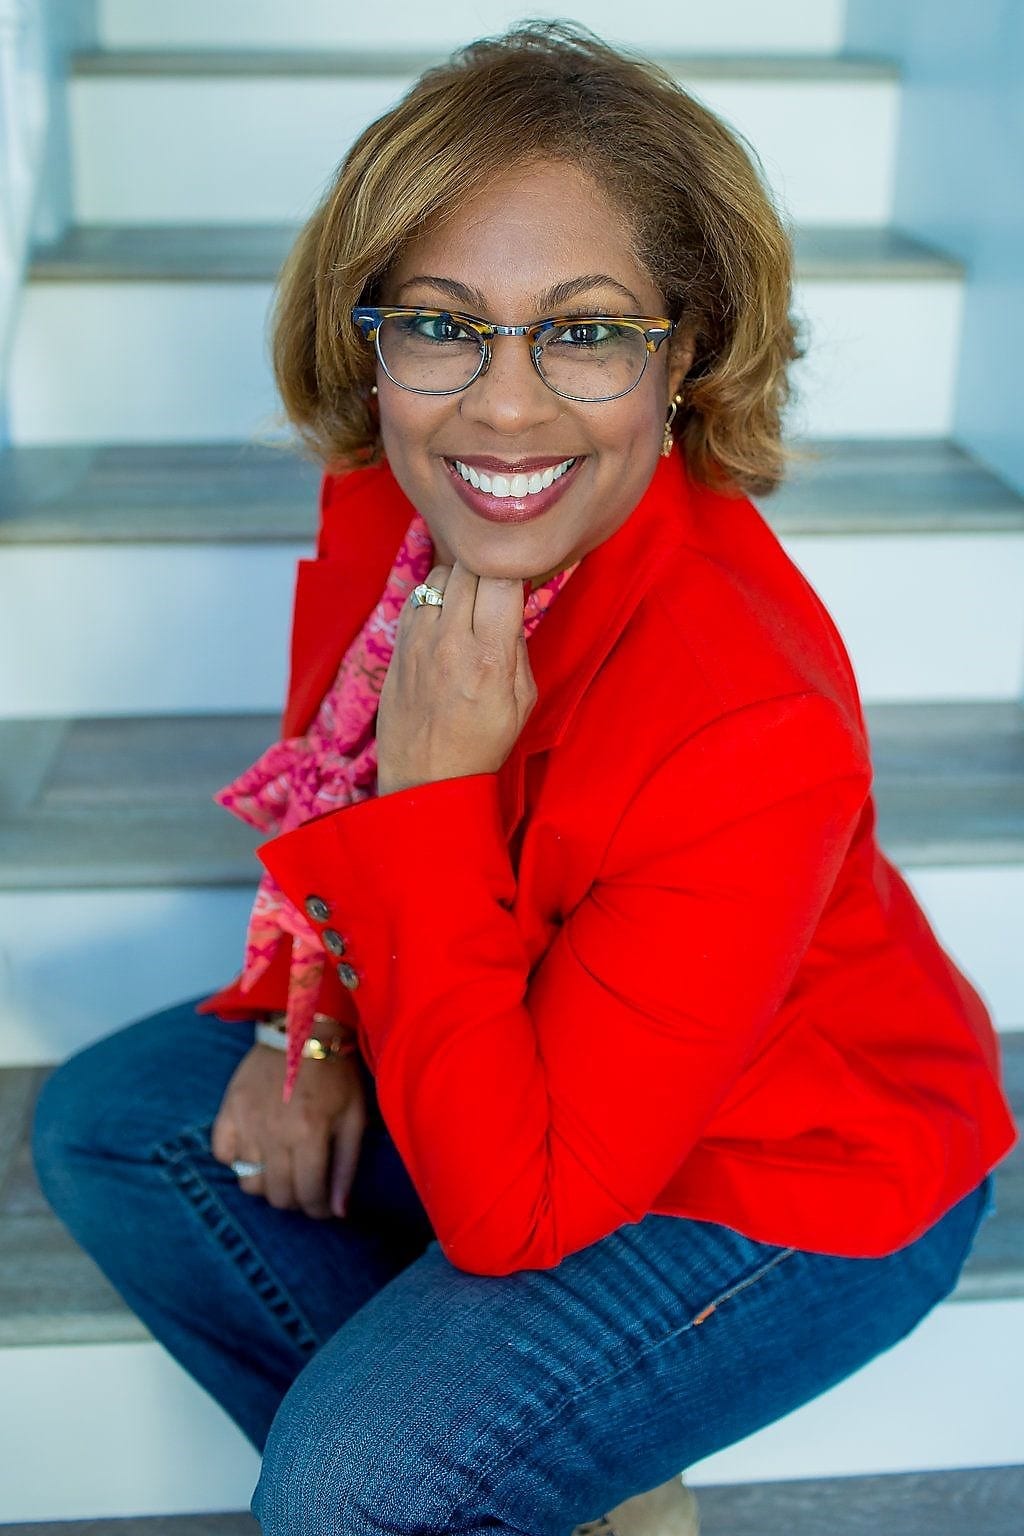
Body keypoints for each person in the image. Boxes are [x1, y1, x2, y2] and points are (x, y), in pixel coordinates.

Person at [31, 21, 1016, 1536]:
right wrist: (321, 1030)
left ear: (684, 353)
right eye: (441, 324)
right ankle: (565, 1480)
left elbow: (516, 1214)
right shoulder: (402, 490)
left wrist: (433, 803)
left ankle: (492, 1464)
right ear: (374, 339)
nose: (501, 407)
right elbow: (330, 804)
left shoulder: (747, 712)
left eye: (587, 331)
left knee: (360, 1480)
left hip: (778, 1165)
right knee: (114, 1126)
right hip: (514, 1043)